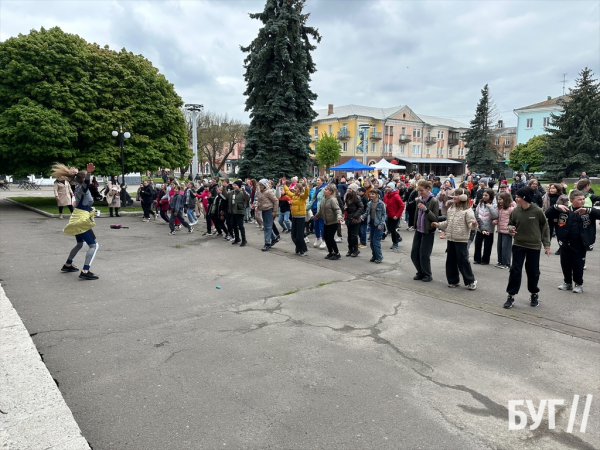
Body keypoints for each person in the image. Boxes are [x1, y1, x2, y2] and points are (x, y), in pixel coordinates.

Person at [503, 187, 550, 309]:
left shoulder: (537, 211)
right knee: (515, 270)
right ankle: (511, 296)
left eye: (518, 197)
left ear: (525, 198)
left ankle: (534, 293)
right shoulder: (516, 211)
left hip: (533, 246)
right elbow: (510, 224)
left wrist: (546, 244)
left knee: (533, 271)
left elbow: (545, 227)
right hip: (518, 244)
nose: (516, 199)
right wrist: (510, 229)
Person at [52, 162, 100, 280]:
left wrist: (75, 173)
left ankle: (68, 264)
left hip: (77, 218)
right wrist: (88, 173)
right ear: (83, 179)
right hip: (81, 221)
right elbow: (86, 183)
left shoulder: (78, 186)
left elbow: (77, 180)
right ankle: (85, 270)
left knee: (80, 243)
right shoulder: (83, 188)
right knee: (94, 245)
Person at [546, 190, 600, 294]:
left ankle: (578, 284)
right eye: (579, 199)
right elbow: (547, 214)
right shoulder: (564, 210)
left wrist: (589, 210)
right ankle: (567, 283)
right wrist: (555, 207)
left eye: (583, 199)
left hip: (580, 244)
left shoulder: (588, 211)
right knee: (565, 263)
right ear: (571, 200)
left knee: (578, 264)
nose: (582, 201)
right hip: (565, 242)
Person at [431, 189, 478, 289]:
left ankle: (470, 281)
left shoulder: (467, 211)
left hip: (461, 239)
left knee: (463, 261)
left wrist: (474, 225)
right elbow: (448, 223)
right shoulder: (451, 208)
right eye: (454, 195)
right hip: (451, 238)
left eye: (456, 195)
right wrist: (438, 225)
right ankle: (453, 280)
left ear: (463, 197)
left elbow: (471, 225)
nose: (454, 197)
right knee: (451, 261)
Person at [411, 180, 439, 282]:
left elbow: (436, 218)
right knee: (414, 254)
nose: (420, 193)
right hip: (418, 230)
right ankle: (420, 272)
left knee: (424, 254)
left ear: (428, 189)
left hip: (428, 231)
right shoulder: (419, 200)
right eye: (418, 191)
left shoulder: (434, 201)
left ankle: (427, 274)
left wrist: (426, 209)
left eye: (422, 191)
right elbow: (416, 214)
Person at [314, 183, 343, 260]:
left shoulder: (333, 200)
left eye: (326, 189)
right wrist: (316, 216)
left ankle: (337, 253)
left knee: (330, 237)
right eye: (325, 189)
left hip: (333, 222)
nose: (324, 190)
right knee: (326, 237)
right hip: (326, 222)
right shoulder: (324, 199)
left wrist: (339, 218)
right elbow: (321, 210)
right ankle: (330, 252)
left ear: (330, 191)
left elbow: (338, 210)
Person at [282, 177, 310, 256]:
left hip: (301, 217)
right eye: (294, 188)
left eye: (296, 188)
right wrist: (284, 185)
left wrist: (306, 184)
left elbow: (306, 193)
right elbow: (287, 192)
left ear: (300, 189)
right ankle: (298, 247)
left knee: (299, 235)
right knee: (293, 235)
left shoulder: (302, 197)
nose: (294, 189)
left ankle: (303, 249)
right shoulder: (294, 196)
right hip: (294, 217)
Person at [361, 189, 386, 263]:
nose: (371, 195)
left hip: (378, 224)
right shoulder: (369, 203)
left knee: (376, 241)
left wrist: (381, 224)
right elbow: (367, 213)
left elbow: (384, 215)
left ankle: (379, 256)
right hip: (371, 223)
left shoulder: (381, 204)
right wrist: (362, 216)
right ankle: (374, 255)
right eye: (370, 194)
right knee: (371, 241)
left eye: (373, 194)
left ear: (377, 195)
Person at [473, 189, 498, 265]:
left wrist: (490, 207)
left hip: (489, 228)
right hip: (480, 227)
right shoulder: (480, 203)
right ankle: (477, 259)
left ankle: (485, 260)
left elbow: (495, 216)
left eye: (486, 195)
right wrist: (477, 221)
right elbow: (476, 213)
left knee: (487, 245)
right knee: (477, 243)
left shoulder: (494, 205)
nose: (484, 197)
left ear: (490, 196)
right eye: (483, 195)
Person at [493, 192, 515, 269]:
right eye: (498, 199)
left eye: (500, 199)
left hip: (507, 231)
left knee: (506, 247)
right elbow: (498, 218)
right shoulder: (500, 208)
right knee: (500, 247)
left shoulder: (511, 209)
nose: (499, 201)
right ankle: (500, 261)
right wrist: (495, 221)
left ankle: (506, 263)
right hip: (500, 230)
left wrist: (512, 229)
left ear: (505, 199)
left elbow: (514, 220)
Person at [225, 180, 249, 246]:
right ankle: (237, 238)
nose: (234, 186)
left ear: (239, 186)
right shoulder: (232, 192)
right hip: (233, 211)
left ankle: (244, 240)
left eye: (236, 185)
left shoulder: (242, 192)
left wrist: (244, 191)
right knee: (234, 226)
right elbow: (226, 195)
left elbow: (247, 198)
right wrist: (224, 187)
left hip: (239, 211)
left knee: (240, 226)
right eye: (234, 185)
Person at [256, 178, 278, 251]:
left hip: (269, 210)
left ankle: (267, 243)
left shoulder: (269, 191)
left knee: (267, 227)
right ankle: (274, 238)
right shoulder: (259, 191)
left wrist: (274, 211)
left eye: (262, 185)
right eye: (260, 185)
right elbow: (259, 199)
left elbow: (275, 201)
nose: (260, 186)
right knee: (266, 226)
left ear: (265, 185)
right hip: (263, 210)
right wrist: (257, 205)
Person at [383, 182, 405, 250]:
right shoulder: (386, 195)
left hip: (395, 216)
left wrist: (397, 215)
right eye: (387, 187)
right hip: (389, 215)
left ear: (392, 188)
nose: (387, 188)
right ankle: (398, 237)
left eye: (389, 187)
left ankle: (395, 243)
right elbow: (384, 203)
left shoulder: (396, 196)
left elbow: (402, 206)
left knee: (392, 229)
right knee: (390, 229)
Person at [344, 188, 364, 257]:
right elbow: (346, 204)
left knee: (354, 235)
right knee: (349, 235)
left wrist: (355, 216)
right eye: (349, 188)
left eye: (351, 188)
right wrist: (346, 208)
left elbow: (361, 207)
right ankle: (350, 249)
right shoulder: (348, 196)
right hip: (349, 218)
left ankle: (356, 250)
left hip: (355, 218)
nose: (349, 190)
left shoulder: (357, 197)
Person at [309, 177, 326, 249]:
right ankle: (318, 238)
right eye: (317, 180)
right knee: (316, 226)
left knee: (321, 226)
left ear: (322, 181)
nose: (317, 181)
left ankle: (324, 240)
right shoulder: (315, 188)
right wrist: (307, 208)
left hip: (321, 210)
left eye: (318, 180)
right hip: (315, 209)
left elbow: (324, 200)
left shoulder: (325, 188)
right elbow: (312, 199)